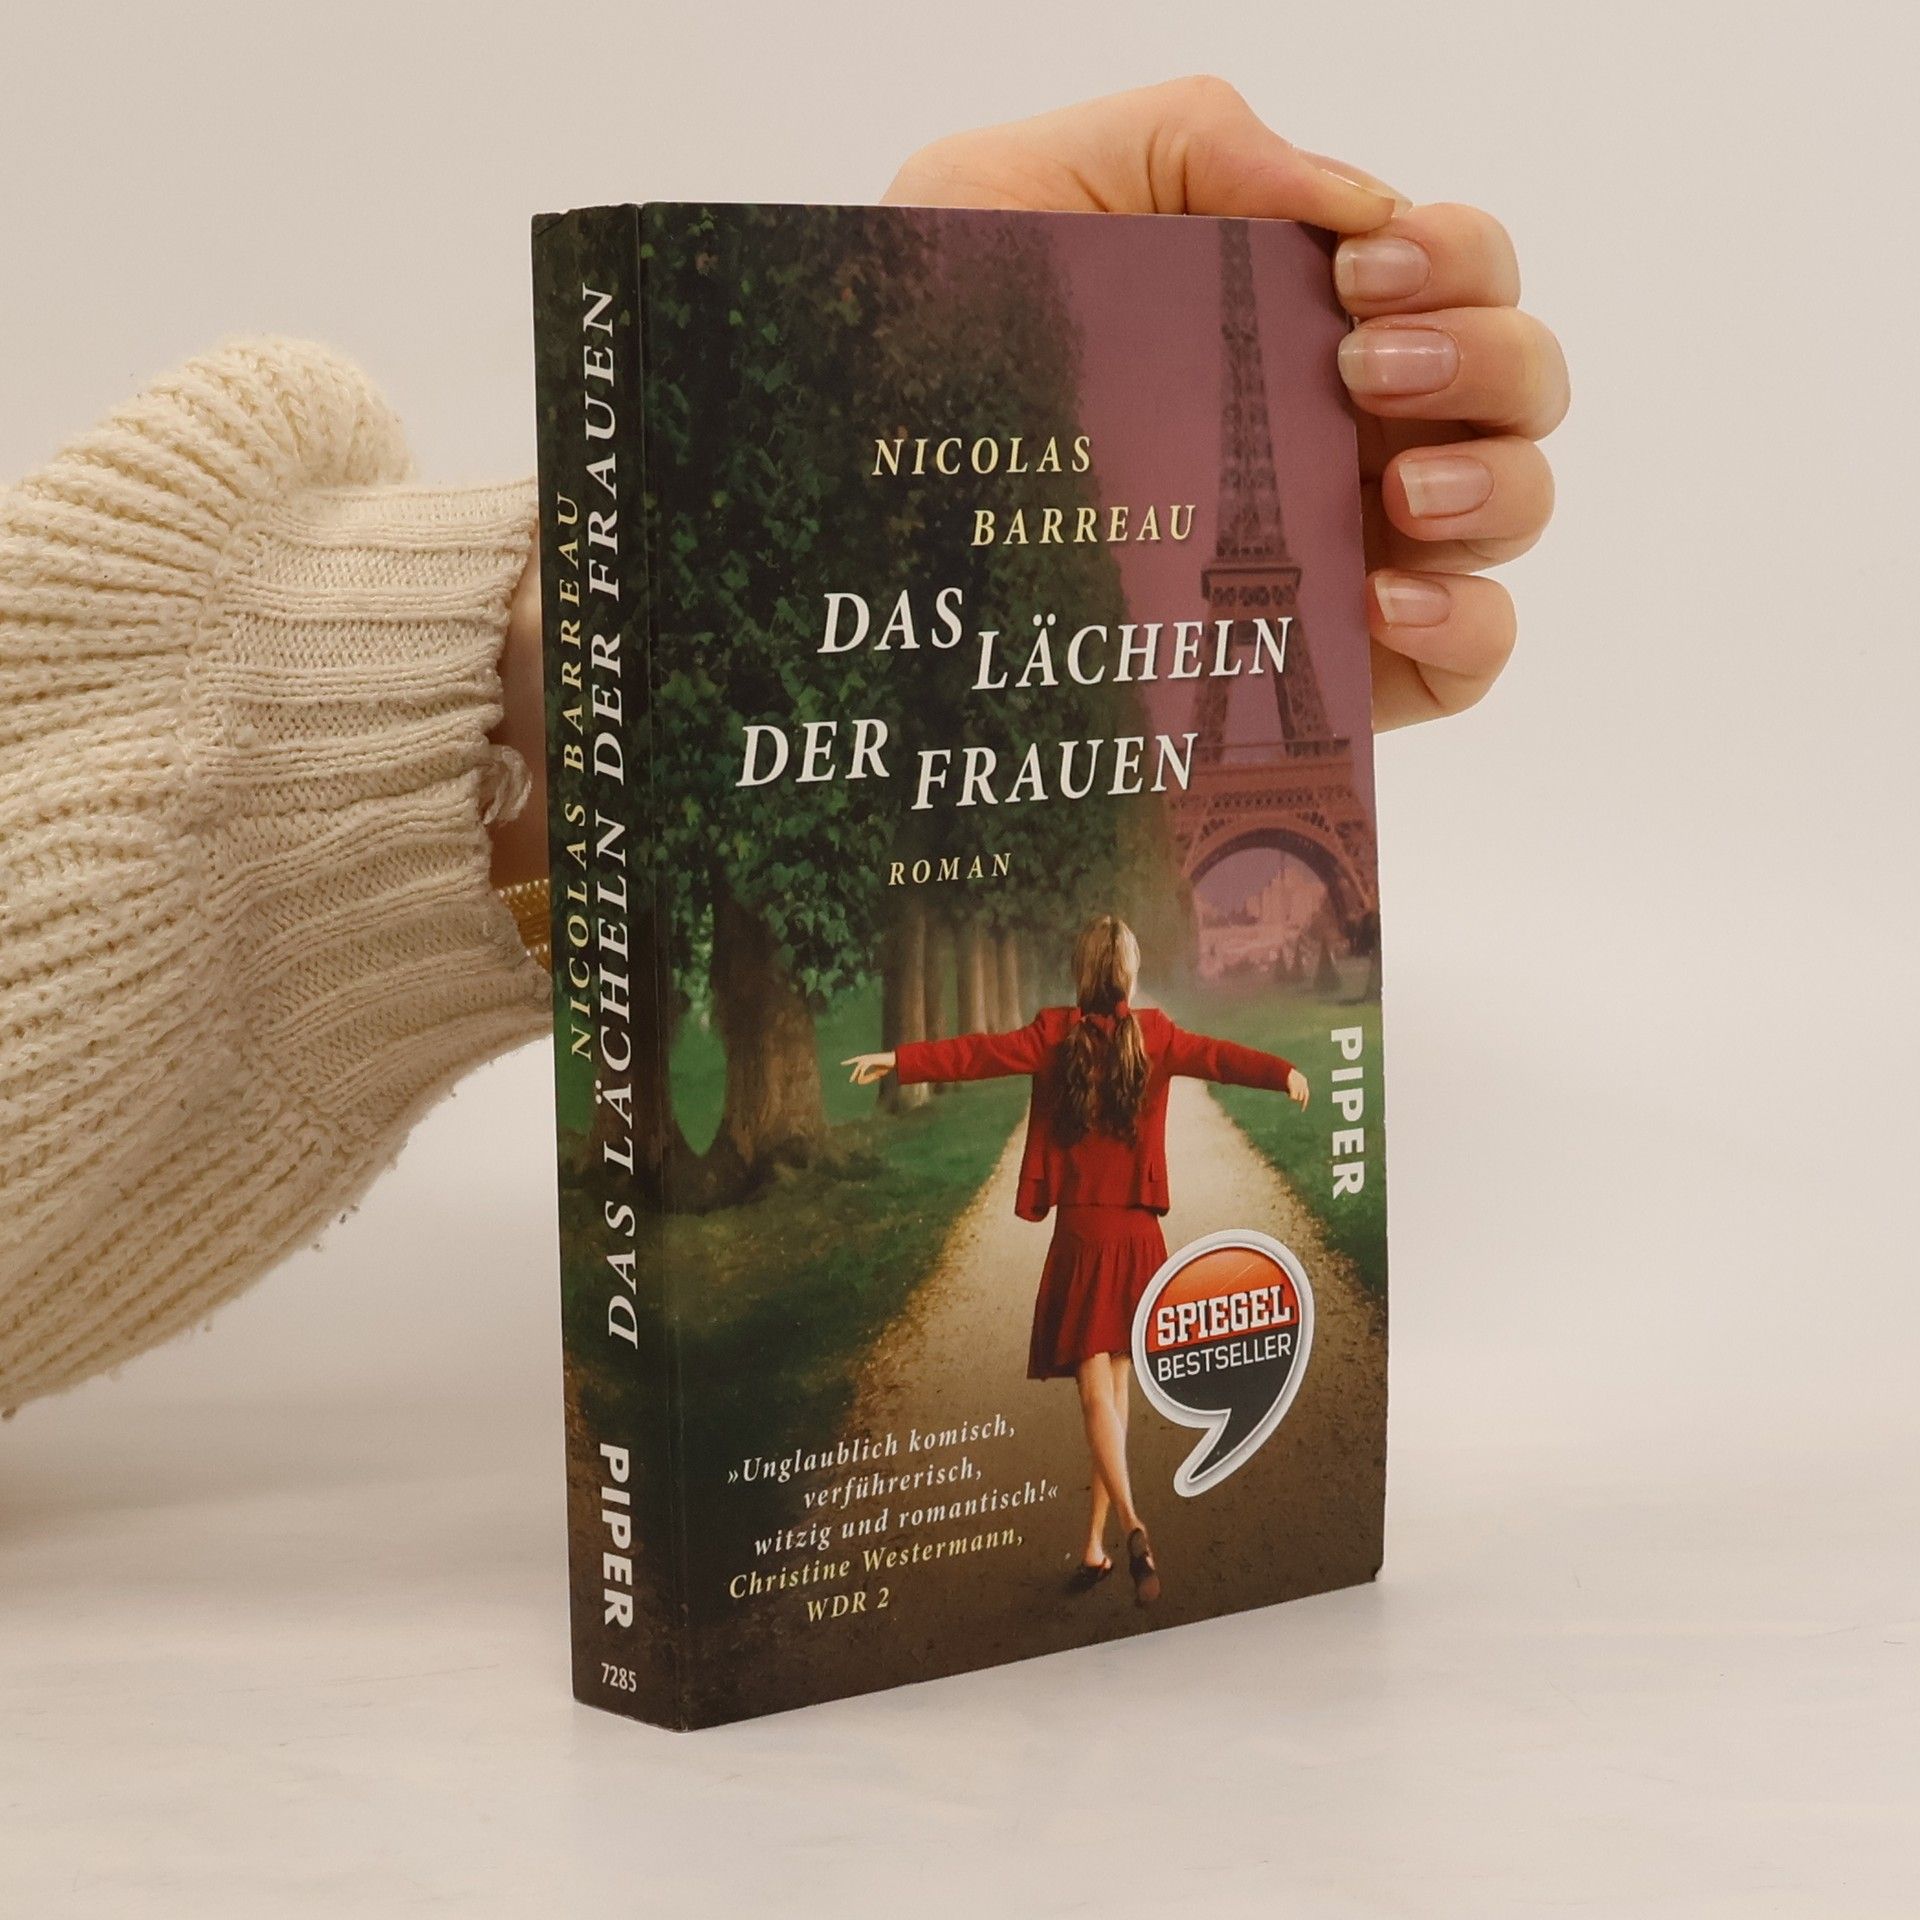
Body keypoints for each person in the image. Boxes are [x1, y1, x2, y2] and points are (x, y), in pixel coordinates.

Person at [0, 78, 1567, 1413]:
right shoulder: (1131, 1032)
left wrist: (814, 523)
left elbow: (1036, 1056)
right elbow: (1079, 1057)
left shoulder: (1099, 1026)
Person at [845, 915, 1307, 1605]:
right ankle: (1094, 1547)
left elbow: (978, 1055)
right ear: (1129, 974)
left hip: (1083, 1236)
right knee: (1113, 1400)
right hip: (1140, 1239)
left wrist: (899, 1059)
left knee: (1096, 1398)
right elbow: (1220, 1059)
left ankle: (1131, 1525)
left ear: (1080, 972)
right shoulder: (1156, 1034)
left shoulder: (1053, 1033)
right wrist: (1283, 1072)